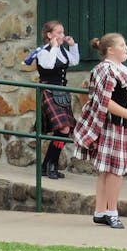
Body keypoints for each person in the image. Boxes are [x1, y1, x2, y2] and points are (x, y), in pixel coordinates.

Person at [73, 33, 127, 229]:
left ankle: (101, 211)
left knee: (108, 170)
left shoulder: (122, 71)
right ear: (110, 50)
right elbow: (105, 102)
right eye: (122, 45)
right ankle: (111, 212)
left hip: (119, 125)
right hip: (111, 124)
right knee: (114, 171)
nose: (126, 48)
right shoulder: (105, 70)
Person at [35, 20, 79, 179]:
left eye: (62, 32)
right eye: (58, 32)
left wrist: (72, 46)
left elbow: (74, 61)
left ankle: (47, 165)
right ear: (49, 35)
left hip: (62, 93)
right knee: (63, 129)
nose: (62, 35)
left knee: (62, 132)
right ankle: (51, 164)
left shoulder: (62, 51)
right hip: (48, 91)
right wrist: (53, 47)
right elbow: (47, 65)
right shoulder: (42, 51)